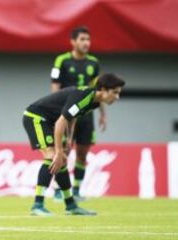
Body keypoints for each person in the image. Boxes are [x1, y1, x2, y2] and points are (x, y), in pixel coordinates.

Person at [24, 74, 125, 216]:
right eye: (115, 92)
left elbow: (73, 117)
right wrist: (59, 151)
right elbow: (61, 121)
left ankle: (71, 206)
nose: (117, 97)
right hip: (36, 118)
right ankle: (37, 205)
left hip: (50, 121)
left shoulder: (94, 101)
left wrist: (69, 138)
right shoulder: (84, 96)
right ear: (103, 89)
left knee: (62, 160)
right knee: (53, 156)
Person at [50, 26, 105, 201]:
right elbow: (55, 86)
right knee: (63, 150)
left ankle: (76, 190)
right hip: (67, 113)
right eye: (82, 39)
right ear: (73, 42)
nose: (85, 43)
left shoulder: (94, 63)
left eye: (88, 39)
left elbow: (99, 90)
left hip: (86, 114)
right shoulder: (62, 60)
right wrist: (56, 109)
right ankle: (60, 189)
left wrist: (102, 113)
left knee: (82, 153)